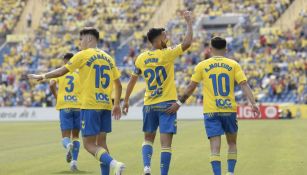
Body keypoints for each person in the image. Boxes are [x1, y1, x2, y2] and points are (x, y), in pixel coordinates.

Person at [28, 27, 125, 175]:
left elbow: (61, 71)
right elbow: (118, 84)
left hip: (90, 106)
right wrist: (116, 104)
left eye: (81, 39)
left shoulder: (83, 55)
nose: (79, 42)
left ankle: (114, 164)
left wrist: (42, 76)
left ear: (89, 39)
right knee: (102, 143)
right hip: (106, 105)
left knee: (88, 144)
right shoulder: (109, 58)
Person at [166, 37, 260, 175]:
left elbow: (192, 86)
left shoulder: (202, 65)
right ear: (226, 49)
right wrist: (253, 103)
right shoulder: (234, 65)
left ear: (210, 49)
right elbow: (244, 84)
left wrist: (179, 102)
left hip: (211, 111)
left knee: (215, 148)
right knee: (232, 143)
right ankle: (230, 172)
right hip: (229, 110)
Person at [122, 11, 193, 175]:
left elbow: (133, 80)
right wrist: (189, 23)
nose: (167, 39)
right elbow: (187, 43)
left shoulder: (141, 58)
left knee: (148, 139)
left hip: (149, 105)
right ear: (159, 39)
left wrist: (126, 101)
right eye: (165, 36)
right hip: (167, 104)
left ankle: (146, 168)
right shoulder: (167, 53)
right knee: (166, 144)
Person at [49, 53, 81, 171]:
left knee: (65, 137)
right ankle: (74, 163)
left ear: (64, 61)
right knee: (76, 136)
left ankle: (68, 145)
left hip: (65, 106)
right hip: (78, 106)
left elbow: (51, 83)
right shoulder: (80, 73)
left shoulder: (59, 72)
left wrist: (56, 96)